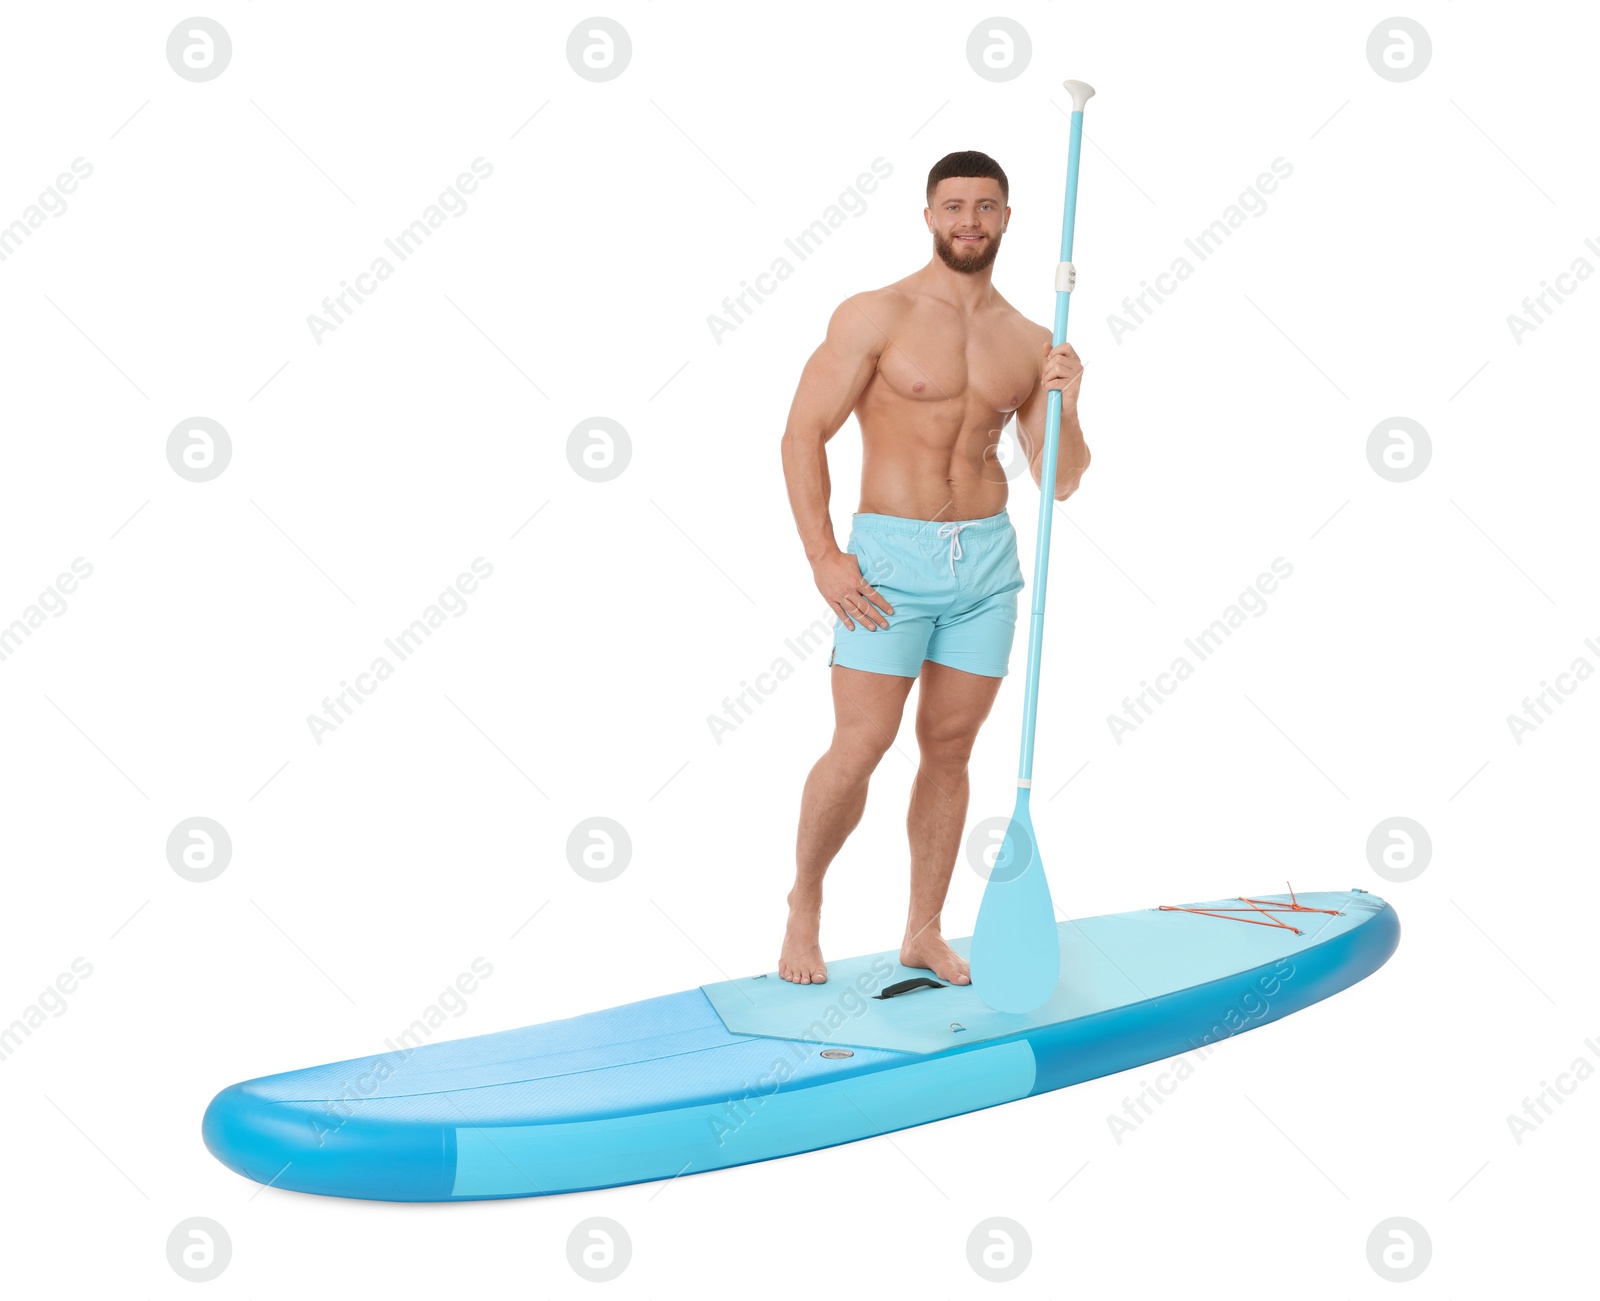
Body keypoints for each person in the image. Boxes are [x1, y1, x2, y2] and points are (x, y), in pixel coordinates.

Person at [777, 150, 1090, 986]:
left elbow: (1057, 477)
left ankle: (922, 928)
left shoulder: (1030, 340)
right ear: (928, 215)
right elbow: (802, 432)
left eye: (986, 207)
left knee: (949, 751)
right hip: (888, 561)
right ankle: (804, 906)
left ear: (1007, 220)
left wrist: (1067, 399)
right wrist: (824, 559)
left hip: (985, 565)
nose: (969, 221)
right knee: (861, 743)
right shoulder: (874, 315)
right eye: (954, 206)